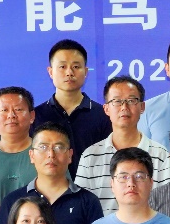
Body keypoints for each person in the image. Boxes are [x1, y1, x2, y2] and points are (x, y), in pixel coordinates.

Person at [0, 122, 104, 224]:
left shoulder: (88, 202)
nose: (51, 154)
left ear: (70, 155)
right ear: (31, 155)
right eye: (43, 147)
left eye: (59, 147)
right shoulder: (13, 201)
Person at [75, 75, 170, 214]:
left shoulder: (160, 154)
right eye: (117, 101)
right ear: (106, 109)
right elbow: (82, 208)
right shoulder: (90, 156)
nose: (124, 107)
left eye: (131, 101)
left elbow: (168, 204)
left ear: (142, 107)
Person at [31, 38, 112, 176]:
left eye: (76, 67)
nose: (69, 72)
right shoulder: (36, 116)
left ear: (86, 71)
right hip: (48, 188)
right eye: (62, 67)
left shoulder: (103, 115)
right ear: (50, 72)